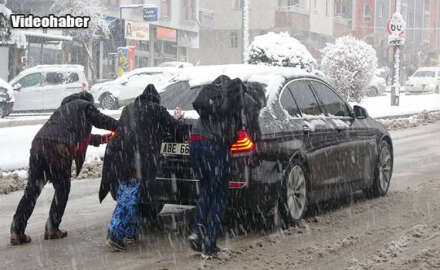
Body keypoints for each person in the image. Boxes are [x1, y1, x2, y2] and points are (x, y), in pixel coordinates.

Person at [10, 91, 118, 246]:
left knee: (32, 191)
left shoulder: (64, 111)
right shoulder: (84, 105)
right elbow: (100, 120)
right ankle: (52, 228)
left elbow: (84, 138)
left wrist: (106, 138)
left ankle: (17, 231)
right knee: (62, 189)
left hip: (38, 145)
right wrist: (121, 126)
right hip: (58, 147)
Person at [99, 84, 187, 252]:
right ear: (156, 99)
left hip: (120, 155)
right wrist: (181, 124)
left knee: (134, 195)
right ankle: (114, 235)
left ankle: (131, 233)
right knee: (129, 196)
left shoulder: (129, 108)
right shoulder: (156, 110)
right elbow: (174, 128)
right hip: (136, 159)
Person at [188, 76, 241, 259]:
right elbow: (234, 132)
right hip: (214, 146)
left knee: (206, 191)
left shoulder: (208, 97)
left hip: (195, 142)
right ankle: (209, 245)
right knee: (219, 196)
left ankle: (196, 231)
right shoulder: (231, 98)